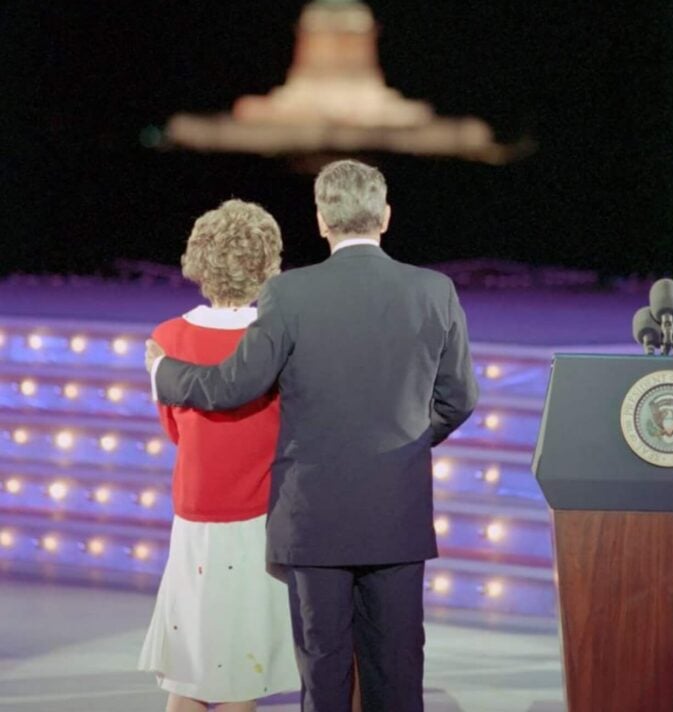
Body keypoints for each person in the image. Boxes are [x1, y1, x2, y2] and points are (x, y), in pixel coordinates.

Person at [146, 160, 478, 712]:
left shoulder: (291, 294)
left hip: (314, 516)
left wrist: (164, 373)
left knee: (323, 673)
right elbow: (459, 399)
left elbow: (234, 386)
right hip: (395, 510)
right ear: (386, 216)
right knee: (396, 668)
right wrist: (406, 445)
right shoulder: (434, 290)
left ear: (322, 220)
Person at [138, 199, 300, 712]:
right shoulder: (279, 338)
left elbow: (175, 431)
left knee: (190, 670)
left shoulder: (169, 338)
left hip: (196, 512)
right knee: (237, 669)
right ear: (266, 262)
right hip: (257, 515)